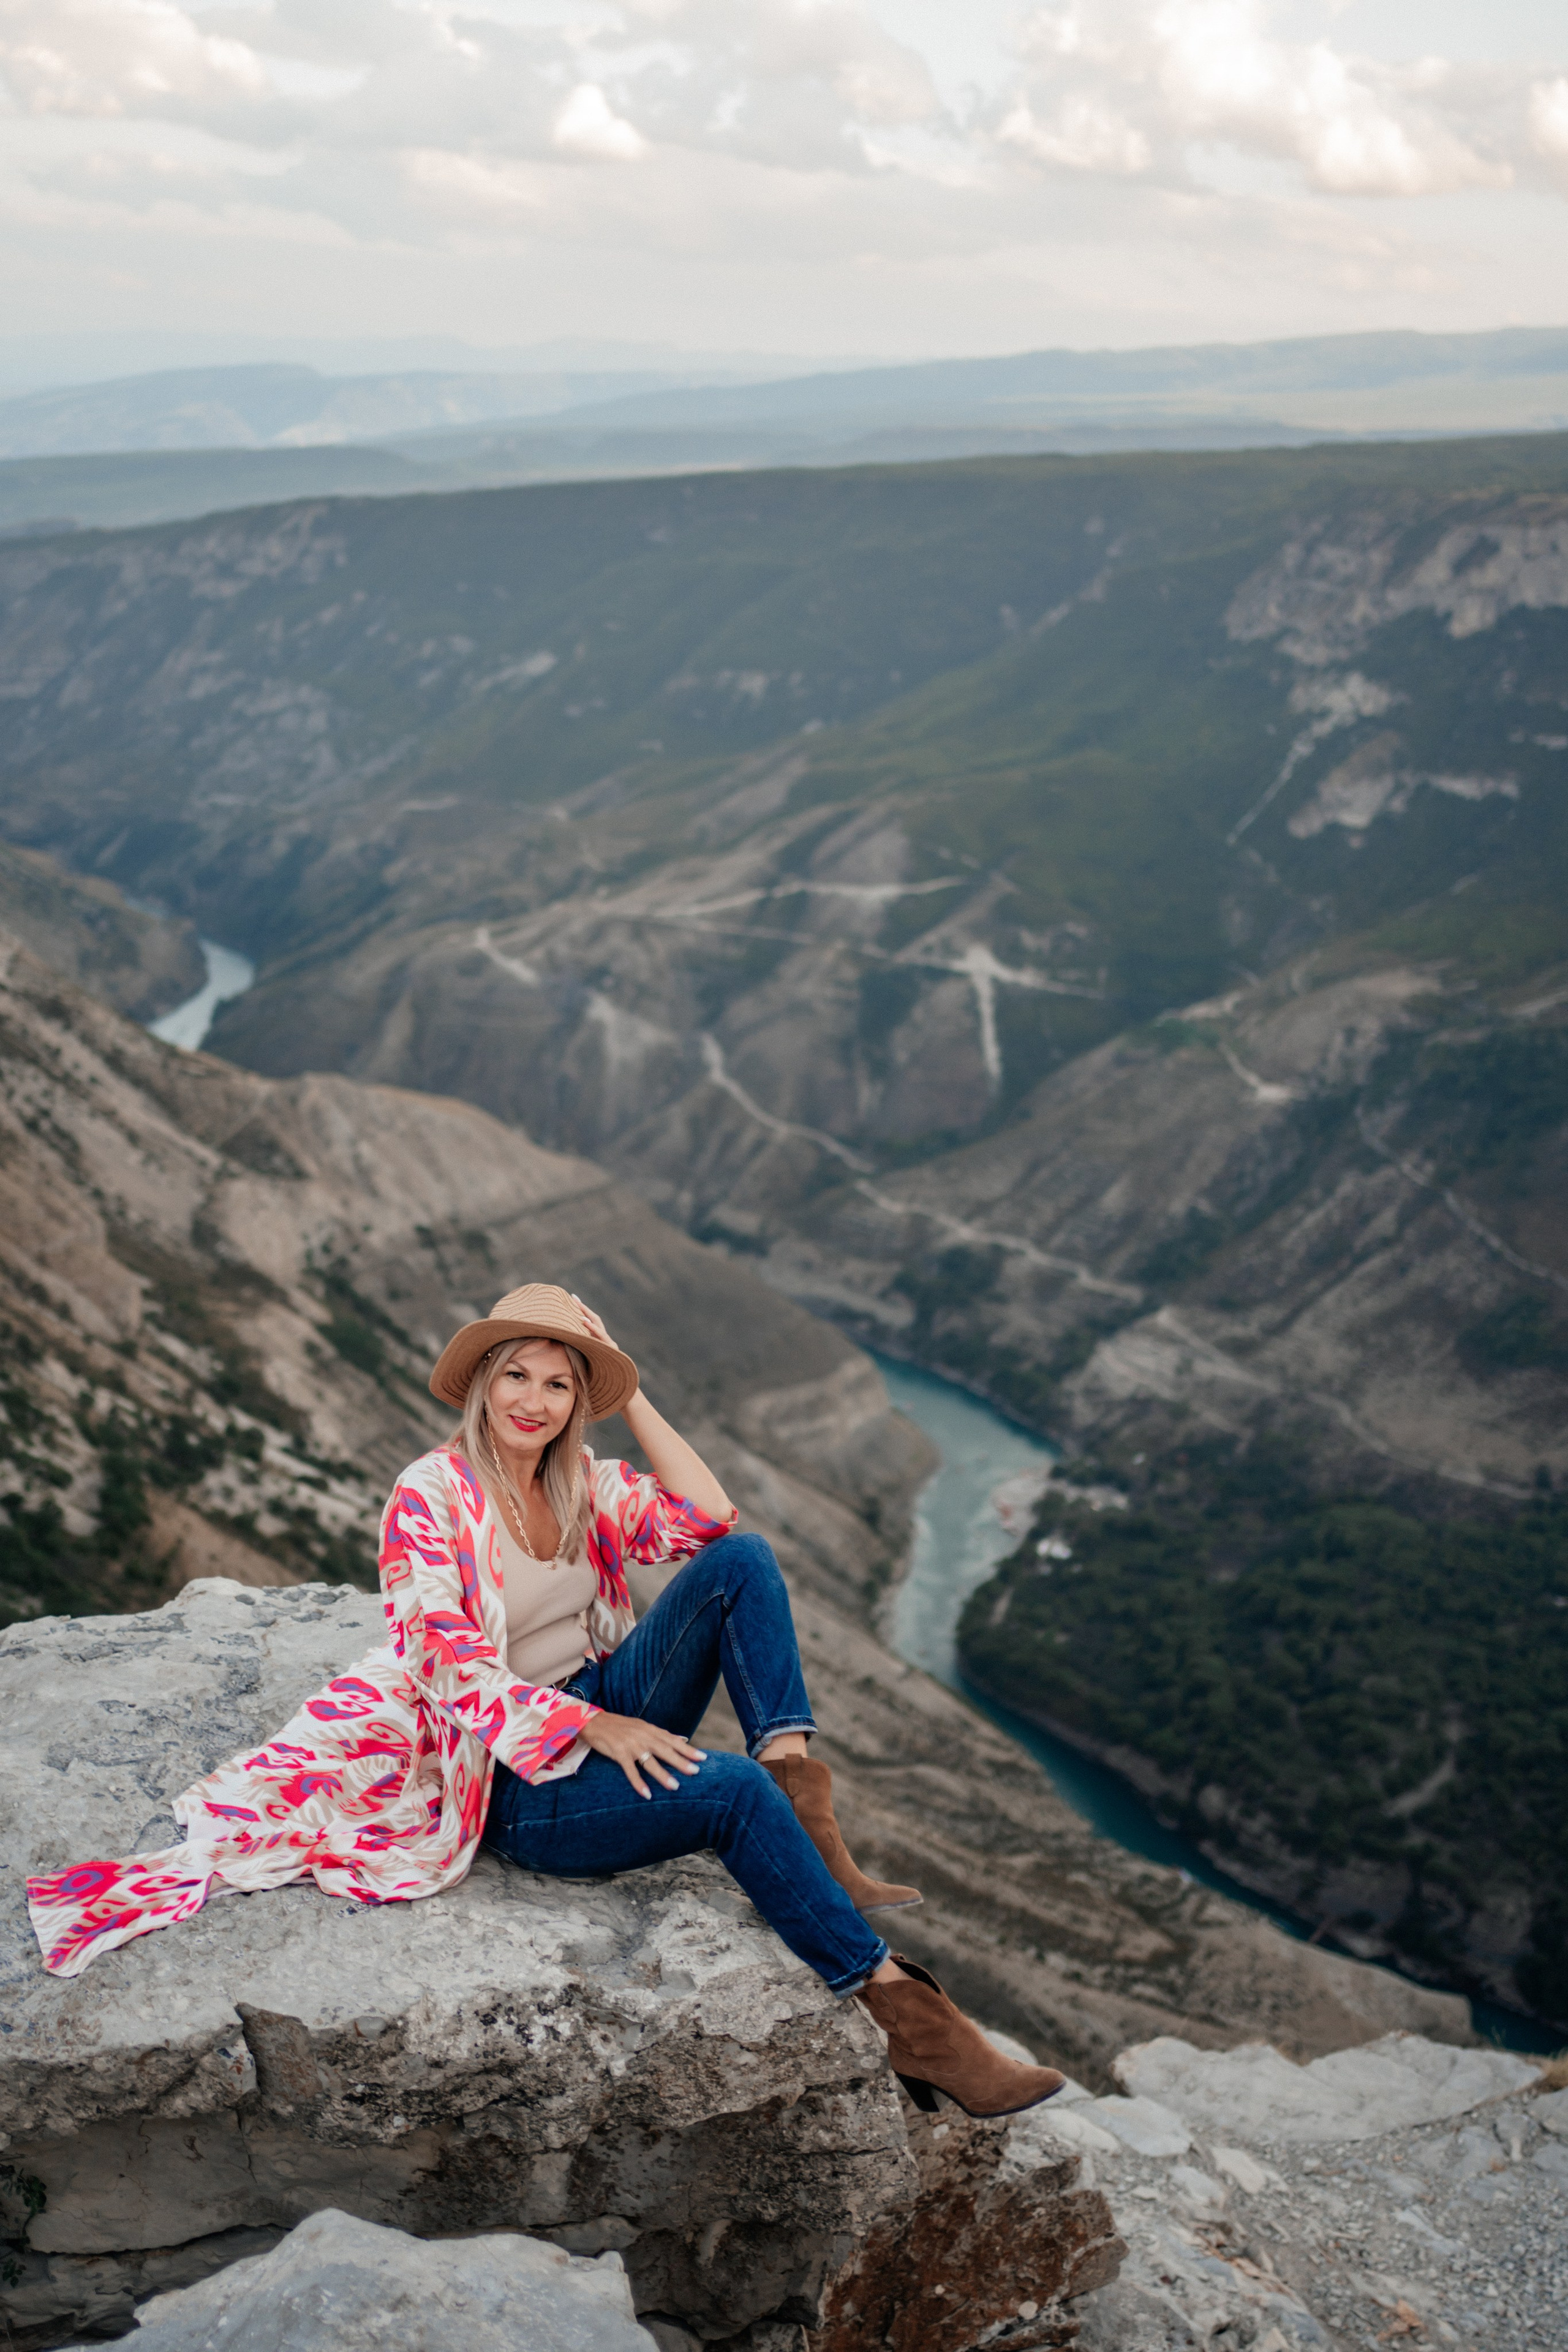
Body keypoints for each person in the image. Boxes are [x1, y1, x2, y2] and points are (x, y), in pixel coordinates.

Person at [27, 1284, 1063, 2120]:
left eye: (560, 1384)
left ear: (580, 1403)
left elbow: (709, 1517)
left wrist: (633, 1392)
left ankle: (807, 1801)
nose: (533, 1399)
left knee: (743, 1563)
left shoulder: (584, 1486)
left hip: (593, 1699)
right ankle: (904, 2012)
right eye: (515, 1375)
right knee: (728, 1795)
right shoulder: (429, 1495)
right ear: (480, 1385)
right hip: (514, 1775)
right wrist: (588, 1725)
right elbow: (439, 1661)